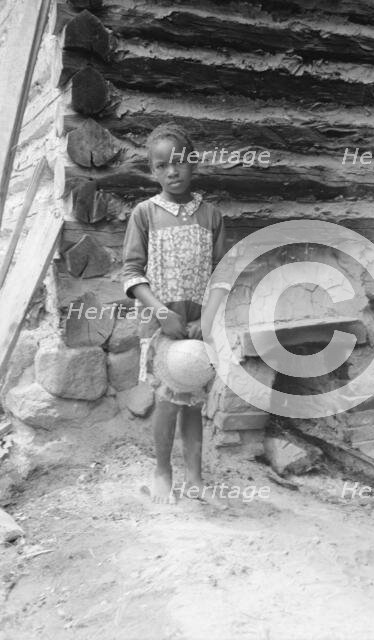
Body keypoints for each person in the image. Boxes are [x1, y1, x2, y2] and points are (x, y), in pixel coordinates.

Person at [122, 123, 230, 504]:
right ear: (152, 171)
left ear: (193, 163)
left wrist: (207, 319)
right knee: (168, 402)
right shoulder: (145, 214)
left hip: (199, 328)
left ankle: (196, 476)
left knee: (194, 403)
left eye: (180, 162)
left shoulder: (211, 215)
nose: (173, 171)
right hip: (162, 327)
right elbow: (132, 273)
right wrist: (160, 310)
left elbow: (221, 275)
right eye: (162, 165)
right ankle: (162, 470)